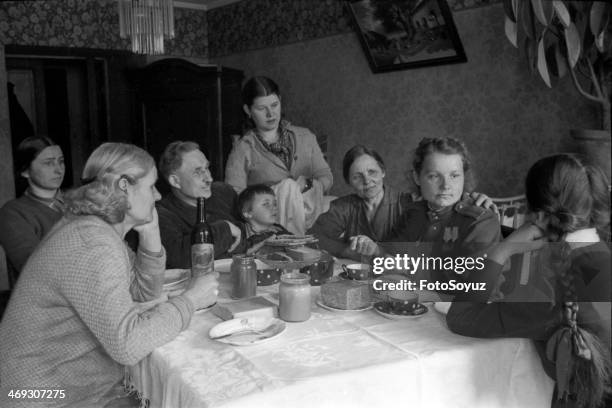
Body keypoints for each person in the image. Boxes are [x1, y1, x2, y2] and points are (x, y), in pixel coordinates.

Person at [0, 143, 219, 408]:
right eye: (151, 187)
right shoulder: (92, 244)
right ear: (125, 187)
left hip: (73, 387)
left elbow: (142, 293)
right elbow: (129, 344)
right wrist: (191, 300)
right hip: (39, 396)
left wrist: (150, 234)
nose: (159, 197)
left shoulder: (95, 229)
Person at [446, 154, 611, 408]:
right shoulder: (601, 257)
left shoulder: (550, 290)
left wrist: (501, 251)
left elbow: (461, 316)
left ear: (538, 216)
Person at [349, 138, 501, 287]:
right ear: (417, 177)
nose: (446, 186)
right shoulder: (414, 212)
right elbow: (392, 254)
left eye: (454, 176)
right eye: (434, 176)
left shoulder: (481, 220)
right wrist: (375, 249)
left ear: (464, 177)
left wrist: (408, 269)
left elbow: (475, 282)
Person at [310, 143, 498, 261]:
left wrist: (468, 199)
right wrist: (348, 251)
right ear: (349, 182)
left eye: (372, 172)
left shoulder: (409, 205)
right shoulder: (343, 207)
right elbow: (314, 236)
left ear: (383, 171)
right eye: (357, 177)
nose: (367, 181)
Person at [224, 76, 333, 235]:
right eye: (262, 109)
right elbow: (236, 197)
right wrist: (279, 193)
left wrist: (308, 186)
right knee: (287, 186)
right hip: (270, 219)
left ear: (281, 101)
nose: (270, 114)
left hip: (309, 206)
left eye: (275, 105)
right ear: (248, 110)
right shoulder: (243, 148)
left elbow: (325, 176)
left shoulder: (305, 136)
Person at [157, 141, 242, 268]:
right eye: (197, 172)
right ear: (175, 181)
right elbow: (178, 258)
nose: (209, 178)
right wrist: (225, 228)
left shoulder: (223, 192)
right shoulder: (162, 214)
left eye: (206, 168)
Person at [0, 136, 65, 274]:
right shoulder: (12, 213)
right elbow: (33, 268)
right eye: (48, 163)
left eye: (61, 162)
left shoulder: (79, 202)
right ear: (25, 171)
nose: (59, 170)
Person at [236, 184, 292, 252]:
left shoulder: (279, 230)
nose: (274, 208)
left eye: (275, 204)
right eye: (266, 204)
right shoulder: (238, 232)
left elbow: (295, 245)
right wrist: (263, 241)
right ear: (248, 213)